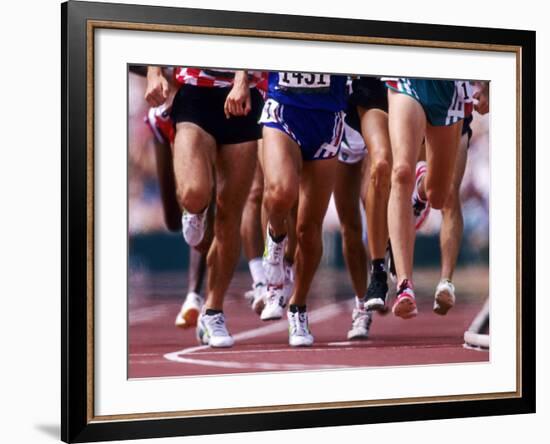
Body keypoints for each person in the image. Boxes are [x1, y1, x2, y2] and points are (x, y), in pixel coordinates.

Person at [145, 66, 263, 347]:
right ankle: (194, 211)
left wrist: (242, 78)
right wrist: (154, 73)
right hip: (197, 93)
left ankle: (213, 311)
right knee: (193, 193)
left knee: (229, 215)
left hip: (243, 98)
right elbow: (159, 28)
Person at [260, 71, 347, 346]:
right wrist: (240, 80)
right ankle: (274, 244)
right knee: (280, 192)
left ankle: (298, 307)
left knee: (308, 229)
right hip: (283, 106)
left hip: (327, 117)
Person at [386, 78, 470, 319]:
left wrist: (486, 86)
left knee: (438, 196)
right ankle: (404, 286)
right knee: (401, 172)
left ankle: (421, 191)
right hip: (406, 78)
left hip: (449, 89)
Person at [349, 77, 393, 313]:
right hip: (371, 91)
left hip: (415, 88)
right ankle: (377, 273)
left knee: (430, 187)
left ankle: (414, 205)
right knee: (381, 166)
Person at [333, 98, 372, 339]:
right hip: (340, 118)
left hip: (373, 104)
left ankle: (383, 269)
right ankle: (362, 305)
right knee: (349, 224)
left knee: (374, 199)